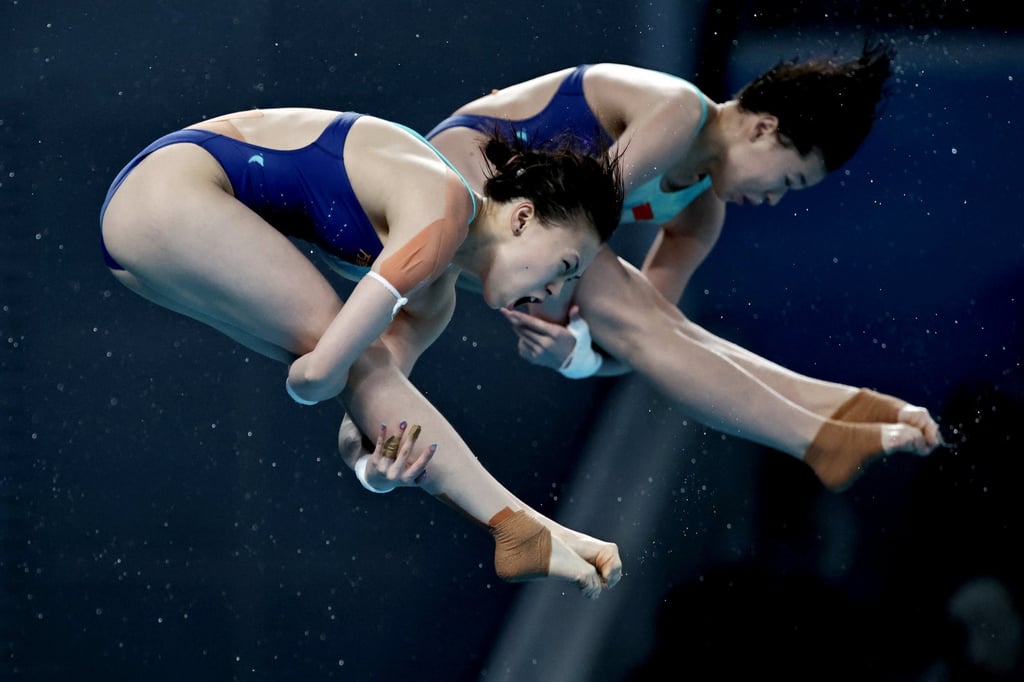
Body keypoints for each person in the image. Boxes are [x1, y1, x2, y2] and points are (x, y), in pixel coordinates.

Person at [99, 106, 624, 597]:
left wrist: (373, 472)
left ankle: (532, 531)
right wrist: (321, 375)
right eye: (565, 266)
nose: (556, 293)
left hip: (139, 240)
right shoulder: (441, 209)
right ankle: (522, 530)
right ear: (523, 218)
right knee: (349, 358)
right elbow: (315, 380)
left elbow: (366, 418)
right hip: (167, 190)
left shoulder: (432, 299)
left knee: (362, 368)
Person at [422, 41, 943, 491]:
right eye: (787, 183)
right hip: (458, 174)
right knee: (620, 297)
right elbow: (575, 258)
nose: (773, 201)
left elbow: (645, 343)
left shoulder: (699, 212)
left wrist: (576, 355)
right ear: (763, 128)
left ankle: (837, 405)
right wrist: (571, 334)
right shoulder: (676, 111)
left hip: (529, 226)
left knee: (660, 320)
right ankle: (813, 437)